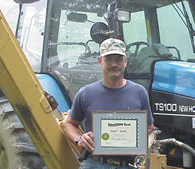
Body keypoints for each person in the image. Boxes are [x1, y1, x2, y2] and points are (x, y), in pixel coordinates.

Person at [62, 38, 155, 169]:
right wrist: (79, 139)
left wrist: (142, 146)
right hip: (94, 164)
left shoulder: (139, 92)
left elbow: (150, 128)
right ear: (100, 61)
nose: (114, 64)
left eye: (118, 59)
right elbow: (69, 124)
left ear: (125, 61)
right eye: (109, 59)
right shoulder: (86, 93)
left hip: (128, 165)